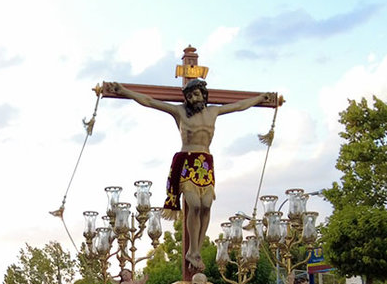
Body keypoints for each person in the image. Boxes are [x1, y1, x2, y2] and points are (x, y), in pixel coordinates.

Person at [107, 80, 277, 272]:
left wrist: (260, 99)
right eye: (189, 96)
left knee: (206, 205)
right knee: (194, 204)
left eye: (196, 94)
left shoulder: (213, 112)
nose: (192, 98)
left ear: (204, 95)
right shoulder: (179, 112)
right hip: (187, 162)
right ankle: (191, 250)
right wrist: (124, 91)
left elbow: (238, 106)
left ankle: (196, 250)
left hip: (205, 163)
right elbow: (149, 101)